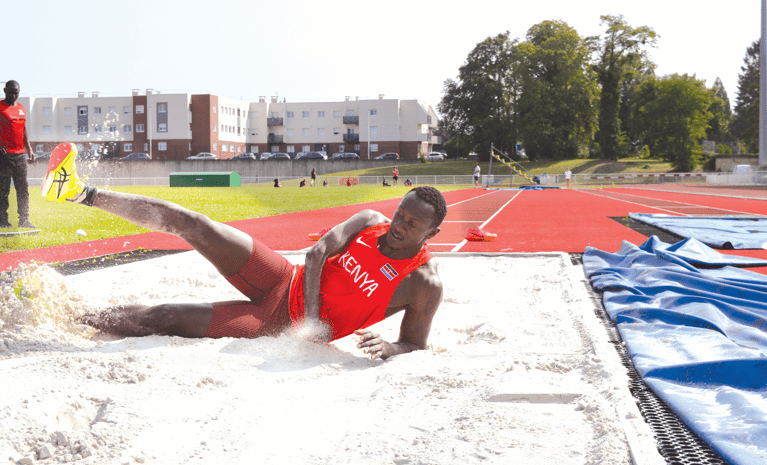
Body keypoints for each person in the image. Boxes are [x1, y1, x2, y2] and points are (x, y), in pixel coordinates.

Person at [43, 143, 447, 360]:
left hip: (273, 323)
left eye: (412, 226)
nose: (399, 227)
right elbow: (316, 254)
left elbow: (414, 344)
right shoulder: (371, 219)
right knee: (196, 224)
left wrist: (389, 347)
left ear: (432, 234)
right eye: (400, 216)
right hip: (281, 277)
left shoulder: (424, 284)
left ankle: (73, 316)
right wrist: (310, 320)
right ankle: (78, 191)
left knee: (165, 316)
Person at [0, 80, 35, 229]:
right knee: (3, 190)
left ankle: (24, 220)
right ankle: (2, 221)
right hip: (4, 156)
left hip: (20, 156)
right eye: (11, 92)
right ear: (4, 90)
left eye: (16, 93)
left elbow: (23, 129)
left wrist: (29, 148)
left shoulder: (21, 108)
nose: (14, 96)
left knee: (23, 189)